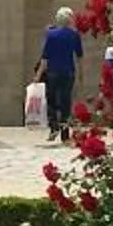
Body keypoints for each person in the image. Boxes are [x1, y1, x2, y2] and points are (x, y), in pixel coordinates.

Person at [39, 8, 84, 144]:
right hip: (68, 72)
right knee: (66, 102)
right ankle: (65, 134)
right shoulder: (74, 35)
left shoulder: (51, 35)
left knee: (51, 100)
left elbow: (45, 58)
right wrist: (81, 74)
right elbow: (79, 56)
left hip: (52, 72)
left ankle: (53, 127)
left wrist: (38, 75)